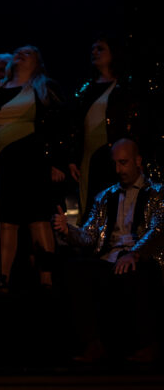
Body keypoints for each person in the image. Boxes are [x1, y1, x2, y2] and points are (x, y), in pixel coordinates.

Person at [53, 138, 163, 362]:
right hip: (110, 259)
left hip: (140, 258)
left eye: (124, 163)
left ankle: (148, 346)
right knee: (75, 269)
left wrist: (135, 252)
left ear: (138, 161)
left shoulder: (156, 192)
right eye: (116, 164)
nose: (118, 169)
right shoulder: (106, 196)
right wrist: (68, 231)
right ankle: (93, 345)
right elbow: (90, 235)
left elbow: (159, 228)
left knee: (140, 273)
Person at [0, 45, 67, 291]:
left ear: (38, 62)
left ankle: (46, 280)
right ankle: (1, 283)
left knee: (39, 220)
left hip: (33, 165)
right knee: (4, 224)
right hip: (1, 166)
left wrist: (57, 161)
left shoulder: (44, 89)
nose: (21, 53)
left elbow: (58, 128)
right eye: (18, 51)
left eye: (29, 52)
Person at [68, 35, 145, 216]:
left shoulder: (125, 86)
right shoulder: (86, 89)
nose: (94, 52)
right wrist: (73, 157)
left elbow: (134, 122)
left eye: (100, 48)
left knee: (116, 202)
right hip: (89, 155)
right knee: (91, 203)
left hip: (113, 152)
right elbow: (75, 125)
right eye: (93, 49)